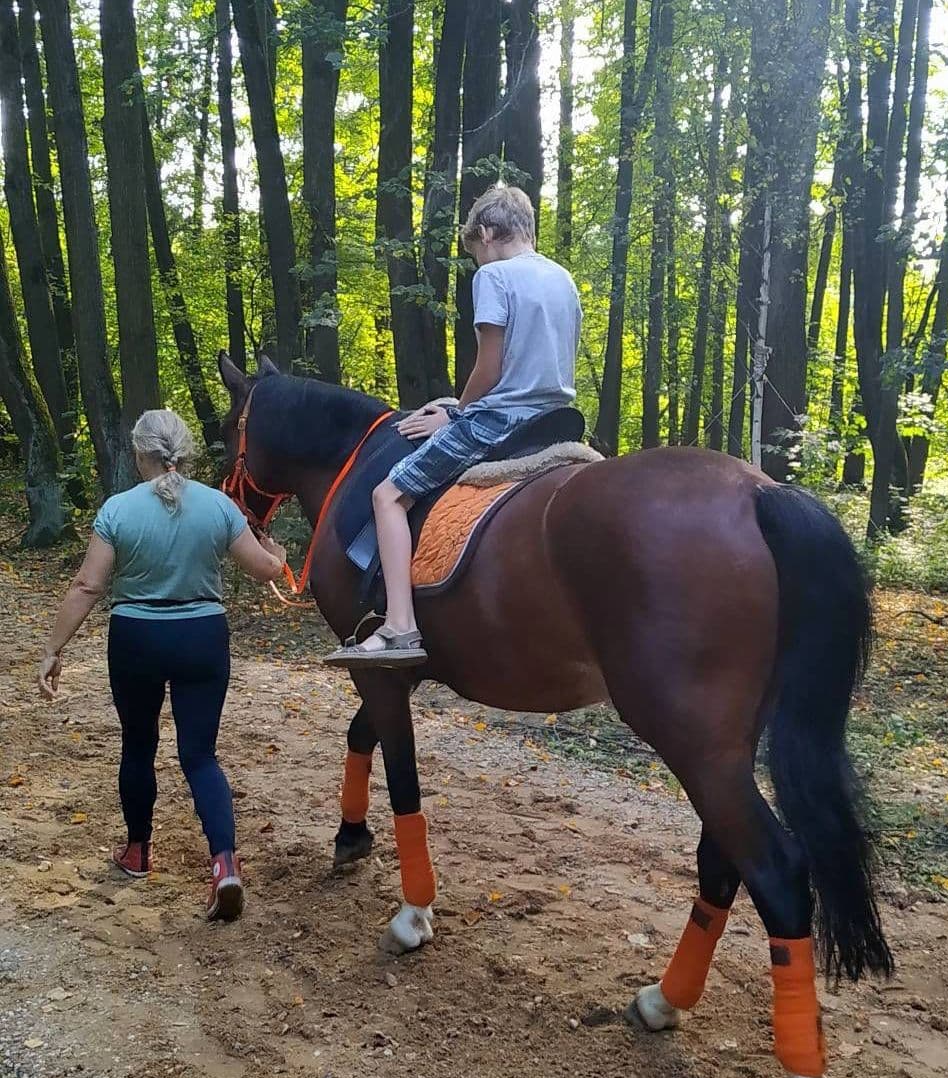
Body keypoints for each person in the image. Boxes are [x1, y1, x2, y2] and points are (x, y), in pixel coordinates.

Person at [36, 409, 287, 922]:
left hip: (138, 638)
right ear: (186, 453)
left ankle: (137, 852)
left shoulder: (118, 509)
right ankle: (224, 865)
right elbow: (264, 570)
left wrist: (53, 650)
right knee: (200, 756)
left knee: (138, 744)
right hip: (202, 638)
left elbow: (88, 586)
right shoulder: (218, 506)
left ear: (137, 454)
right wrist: (277, 555)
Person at [325, 183, 582, 669]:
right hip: (556, 421)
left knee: (387, 496)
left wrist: (456, 413)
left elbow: (489, 370)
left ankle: (400, 626)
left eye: (475, 254)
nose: (477, 265)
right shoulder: (563, 279)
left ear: (485, 232)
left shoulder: (496, 277)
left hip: (501, 420)